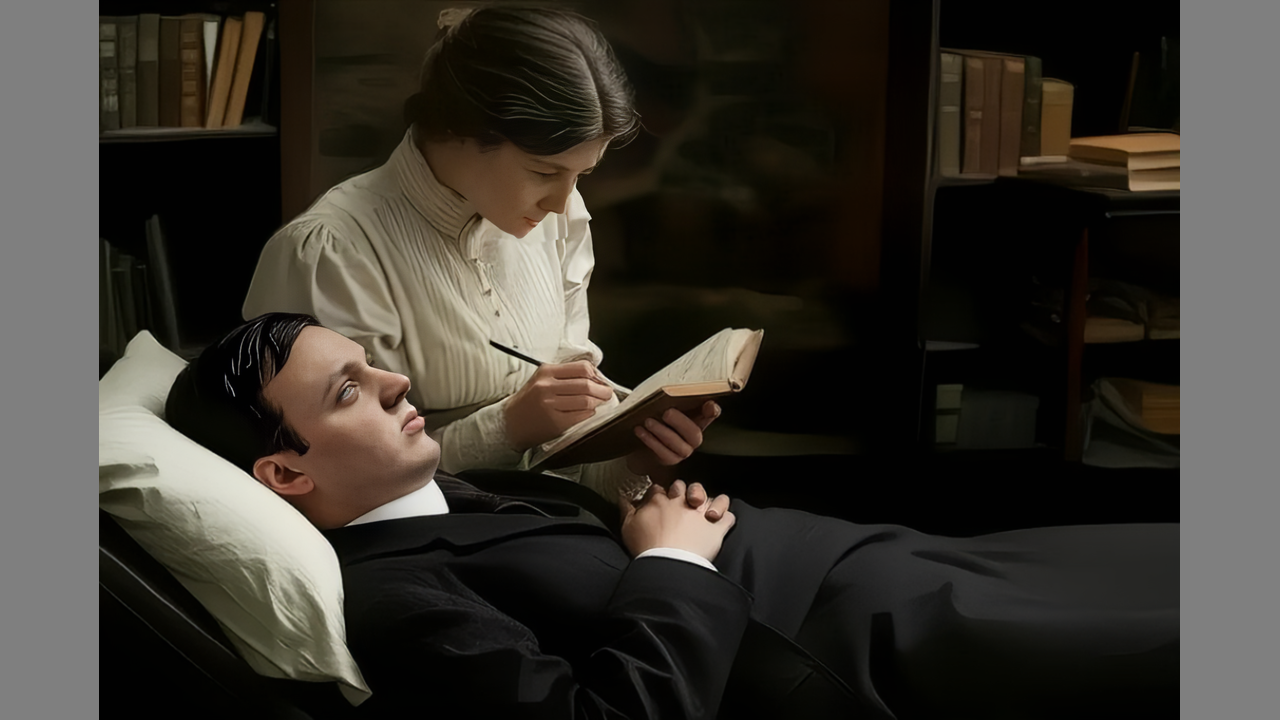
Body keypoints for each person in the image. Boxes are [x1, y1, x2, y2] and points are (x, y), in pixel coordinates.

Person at [166, 313, 1180, 720]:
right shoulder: (396, 596)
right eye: (348, 390)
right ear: (284, 474)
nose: (394, 380)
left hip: (835, 559)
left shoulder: (439, 497)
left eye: (370, 361)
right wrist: (673, 565)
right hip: (839, 641)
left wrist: (651, 520)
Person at [242, 5, 710, 501]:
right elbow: (346, 481)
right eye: (544, 172)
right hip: (432, 535)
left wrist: (636, 456)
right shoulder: (331, 253)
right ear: (460, 129)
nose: (562, 201)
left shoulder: (560, 216)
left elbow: (573, 469)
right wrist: (507, 428)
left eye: (581, 175)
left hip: (558, 520)